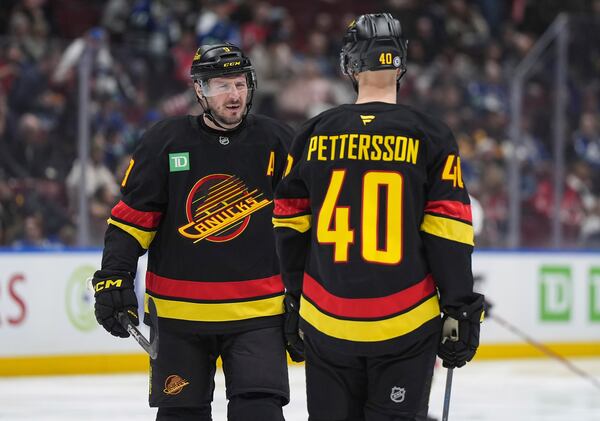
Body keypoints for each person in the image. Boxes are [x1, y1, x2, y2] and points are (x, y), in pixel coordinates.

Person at [273, 13, 485, 421]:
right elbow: (448, 230)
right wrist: (460, 306)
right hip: (405, 325)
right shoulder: (431, 135)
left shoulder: (313, 133)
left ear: (350, 64)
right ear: (401, 63)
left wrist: (295, 298)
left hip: (326, 321)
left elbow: (289, 226)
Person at [91, 43, 293, 421]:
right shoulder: (164, 143)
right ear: (199, 90)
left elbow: (302, 225)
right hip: (178, 317)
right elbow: (131, 222)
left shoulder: (278, 141)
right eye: (221, 86)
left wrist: (305, 293)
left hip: (258, 314)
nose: (234, 96)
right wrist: (114, 276)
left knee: (260, 413)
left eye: (240, 83)